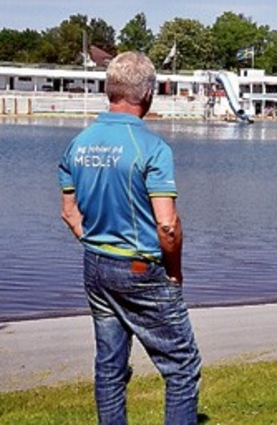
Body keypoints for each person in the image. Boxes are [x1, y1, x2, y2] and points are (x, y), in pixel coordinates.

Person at [58, 51, 201, 424]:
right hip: (139, 266)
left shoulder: (79, 144)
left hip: (94, 264)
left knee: (110, 366)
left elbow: (69, 212)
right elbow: (167, 226)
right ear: (149, 93)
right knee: (181, 365)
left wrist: (97, 248)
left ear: (110, 90)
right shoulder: (153, 149)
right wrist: (174, 272)